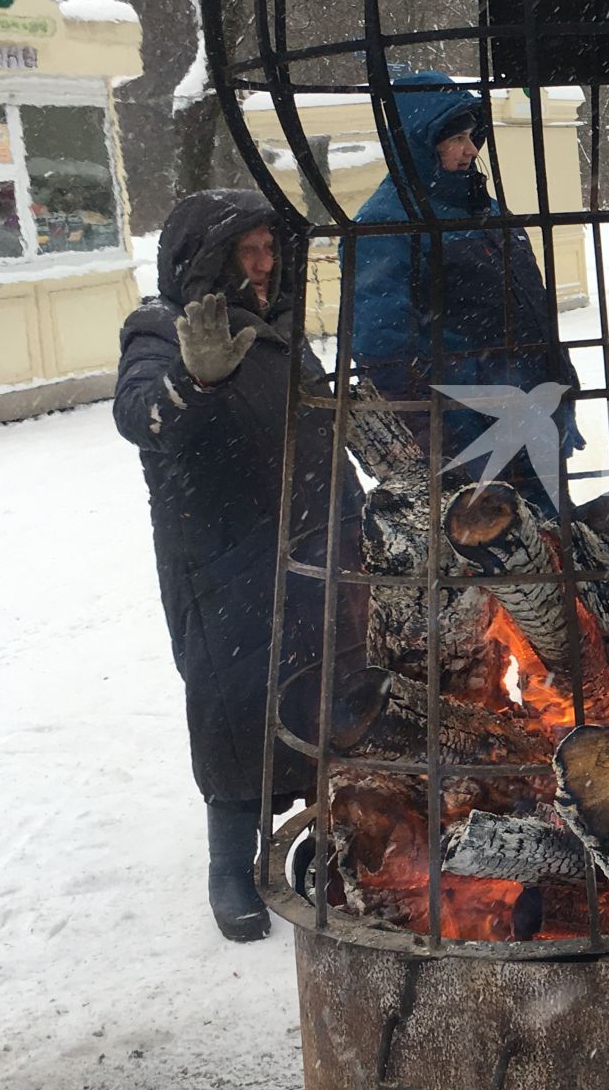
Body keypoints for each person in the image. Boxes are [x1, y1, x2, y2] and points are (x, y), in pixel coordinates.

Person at [114, 190, 370, 942]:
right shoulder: (162, 331)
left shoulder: (283, 331)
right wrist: (195, 379)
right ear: (207, 259)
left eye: (269, 250)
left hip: (317, 546)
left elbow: (330, 418)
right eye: (245, 252)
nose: (260, 266)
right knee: (234, 705)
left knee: (331, 688)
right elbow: (140, 420)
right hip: (223, 558)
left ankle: (338, 838)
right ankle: (231, 862)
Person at [352, 70, 580, 515]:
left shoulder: (484, 207)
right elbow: (382, 351)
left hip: (536, 411)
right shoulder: (388, 223)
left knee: (560, 547)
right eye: (455, 137)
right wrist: (443, 435)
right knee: (503, 563)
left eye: (472, 135)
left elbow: (528, 304)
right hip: (475, 433)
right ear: (418, 142)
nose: (471, 150)